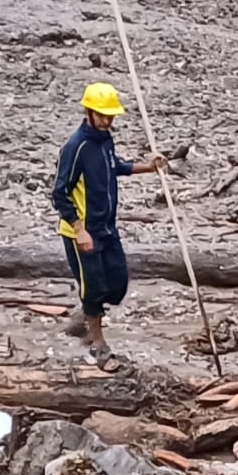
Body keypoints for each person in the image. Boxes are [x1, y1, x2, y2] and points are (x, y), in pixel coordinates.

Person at [51, 82, 164, 372]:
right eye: (102, 115)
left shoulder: (105, 140)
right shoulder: (76, 147)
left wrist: (148, 167)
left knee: (117, 282)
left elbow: (115, 166)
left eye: (111, 116)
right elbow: (59, 193)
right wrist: (79, 229)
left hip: (106, 227)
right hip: (82, 232)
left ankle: (84, 319)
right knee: (94, 288)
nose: (108, 121)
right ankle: (97, 345)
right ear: (88, 112)